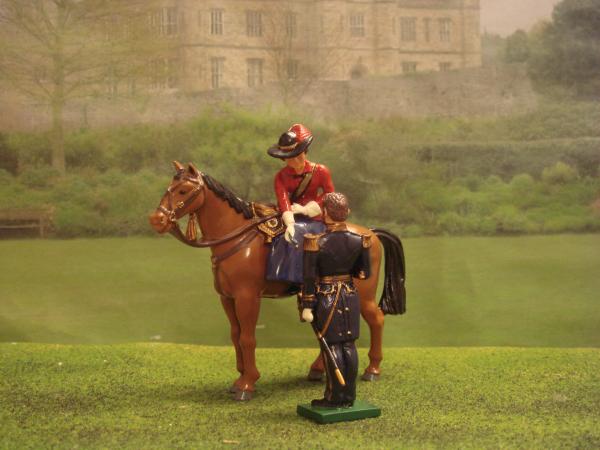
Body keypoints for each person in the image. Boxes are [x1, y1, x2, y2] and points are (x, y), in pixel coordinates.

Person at [300, 192, 371, 408]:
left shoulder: (315, 243)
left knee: (331, 347)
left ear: (324, 214)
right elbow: (363, 274)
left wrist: (307, 305)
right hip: (349, 295)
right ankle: (348, 396)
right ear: (346, 213)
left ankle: (333, 398)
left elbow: (309, 277)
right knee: (348, 345)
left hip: (326, 297)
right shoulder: (360, 240)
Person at [266, 123, 335, 284]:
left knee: (299, 233)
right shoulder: (281, 177)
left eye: (299, 155)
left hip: (313, 218)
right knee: (277, 235)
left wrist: (307, 209)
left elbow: (329, 194)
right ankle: (277, 274)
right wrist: (289, 220)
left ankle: (300, 279)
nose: (296, 160)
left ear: (305, 152)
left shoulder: (320, 171)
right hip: (291, 216)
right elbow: (282, 199)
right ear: (283, 158)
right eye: (290, 158)